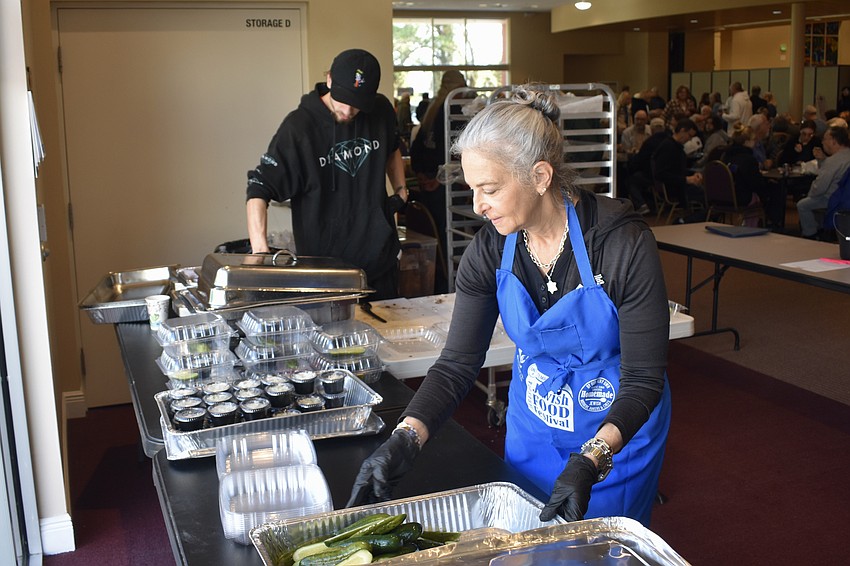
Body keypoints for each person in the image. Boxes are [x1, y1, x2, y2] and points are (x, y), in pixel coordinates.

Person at [346, 85, 671, 528]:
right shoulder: (489, 251)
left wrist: (592, 458)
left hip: (616, 434)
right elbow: (458, 363)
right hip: (534, 425)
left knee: (598, 550)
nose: (478, 206)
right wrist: (406, 436)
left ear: (540, 177)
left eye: (490, 189)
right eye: (472, 190)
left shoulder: (620, 246)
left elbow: (643, 380)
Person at [245, 49, 409, 300]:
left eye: (357, 105)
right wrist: (260, 251)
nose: (348, 110)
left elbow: (392, 147)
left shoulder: (380, 110)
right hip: (325, 272)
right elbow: (259, 188)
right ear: (330, 80)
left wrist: (401, 190)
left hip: (380, 261)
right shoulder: (299, 128)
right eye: (343, 100)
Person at [409, 70, 469, 292]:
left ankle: (443, 282)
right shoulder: (453, 109)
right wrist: (438, 179)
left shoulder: (432, 109)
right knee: (449, 238)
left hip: (429, 185)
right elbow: (453, 151)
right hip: (443, 188)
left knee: (440, 240)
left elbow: (419, 148)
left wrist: (422, 176)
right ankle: (453, 285)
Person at [797, 126, 850, 238]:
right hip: (845, 198)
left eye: (825, 139)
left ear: (833, 141)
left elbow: (819, 188)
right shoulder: (845, 156)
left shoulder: (833, 161)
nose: (822, 142)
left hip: (833, 199)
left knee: (802, 204)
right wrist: (823, 160)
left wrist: (810, 193)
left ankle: (810, 234)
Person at [652, 118, 705, 223]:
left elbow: (677, 170)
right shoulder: (669, 147)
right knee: (707, 197)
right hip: (674, 188)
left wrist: (692, 174)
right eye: (689, 136)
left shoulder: (673, 146)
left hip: (676, 184)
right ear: (682, 130)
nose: (689, 140)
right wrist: (687, 179)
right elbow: (661, 174)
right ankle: (684, 221)